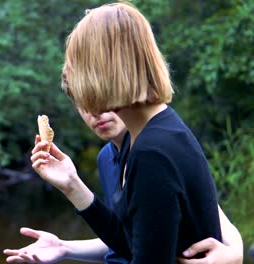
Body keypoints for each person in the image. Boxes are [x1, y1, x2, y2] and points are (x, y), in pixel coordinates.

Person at [12, 2, 240, 263]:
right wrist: (73, 188)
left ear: (106, 69)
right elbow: (133, 244)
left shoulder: (152, 153)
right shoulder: (152, 134)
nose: (79, 87)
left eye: (82, 69)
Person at [3, 111, 243, 263]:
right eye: (85, 103)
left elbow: (212, 211)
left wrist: (235, 251)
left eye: (104, 98)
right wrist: (64, 247)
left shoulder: (156, 150)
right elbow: (132, 238)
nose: (97, 112)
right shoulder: (106, 158)